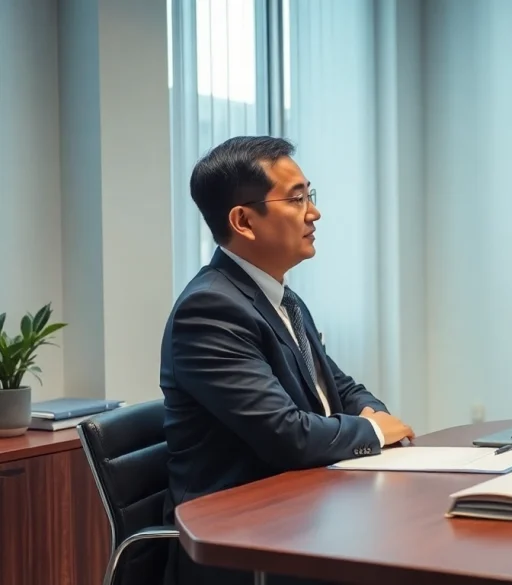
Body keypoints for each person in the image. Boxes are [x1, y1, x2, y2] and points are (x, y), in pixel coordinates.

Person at [160, 136, 414, 585]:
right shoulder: (210, 311)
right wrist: (374, 431)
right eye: (296, 199)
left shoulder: (280, 298)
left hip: (302, 512)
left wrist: (374, 414)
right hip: (244, 541)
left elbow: (339, 388)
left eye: (309, 196)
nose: (313, 213)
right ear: (243, 221)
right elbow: (286, 434)